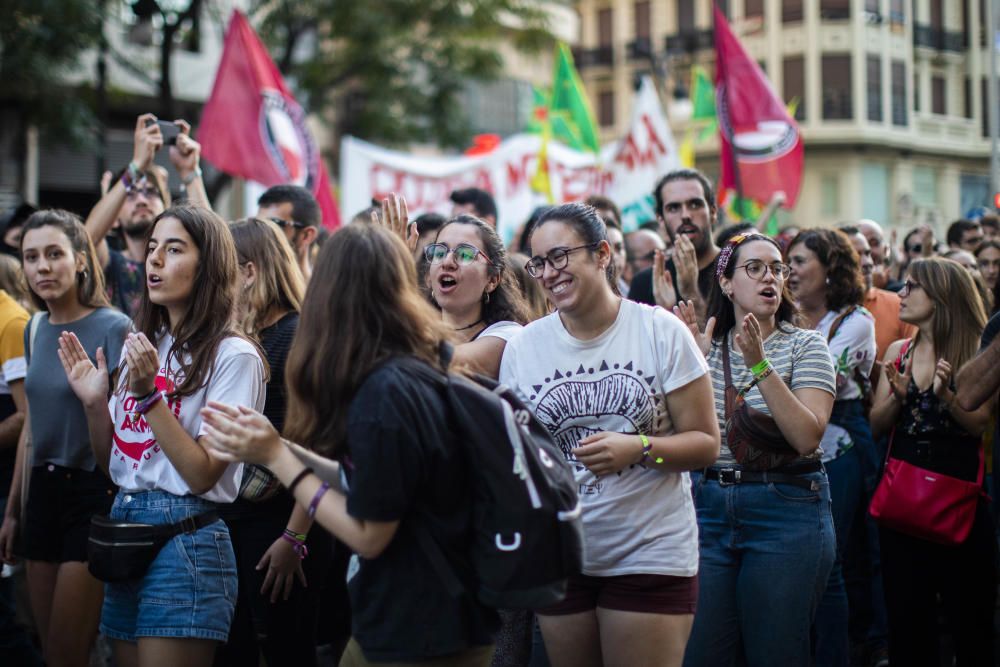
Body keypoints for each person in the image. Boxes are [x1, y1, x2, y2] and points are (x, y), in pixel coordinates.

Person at [201, 222, 499, 665]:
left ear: (330, 293)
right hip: (440, 609)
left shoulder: (387, 391)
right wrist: (276, 448)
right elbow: (369, 480)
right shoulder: (410, 368)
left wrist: (279, 461)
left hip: (423, 624)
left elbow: (370, 533)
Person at [500, 203, 720, 667]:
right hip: (564, 554)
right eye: (539, 262)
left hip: (649, 552)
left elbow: (705, 444)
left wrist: (639, 449)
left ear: (602, 254)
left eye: (560, 256)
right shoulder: (523, 347)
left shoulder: (661, 332)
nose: (548, 272)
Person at [58, 204, 265, 667]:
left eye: (173, 250)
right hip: (124, 528)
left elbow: (202, 474)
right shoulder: (148, 342)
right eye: (152, 248)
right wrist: (95, 403)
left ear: (208, 265)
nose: (153, 260)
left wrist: (150, 395)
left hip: (185, 540)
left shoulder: (235, 356)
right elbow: (114, 461)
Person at [677, 231, 837, 666]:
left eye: (777, 269)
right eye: (755, 268)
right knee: (704, 655)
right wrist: (687, 368)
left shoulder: (808, 344)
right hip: (710, 512)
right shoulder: (702, 347)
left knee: (776, 654)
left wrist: (760, 364)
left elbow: (807, 436)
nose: (770, 277)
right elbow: (669, 435)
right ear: (727, 283)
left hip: (785, 511)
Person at [0, 210, 129, 666]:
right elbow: (32, 426)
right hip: (41, 492)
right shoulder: (34, 328)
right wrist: (15, 508)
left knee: (66, 653)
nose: (42, 267)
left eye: (54, 254)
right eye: (31, 257)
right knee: (44, 646)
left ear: (80, 261)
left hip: (92, 494)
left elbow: (127, 432)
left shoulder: (115, 327)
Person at [214, 218, 336, 667]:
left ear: (249, 272)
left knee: (287, 649)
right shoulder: (243, 338)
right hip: (240, 522)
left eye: (221, 268)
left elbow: (320, 444)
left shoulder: (301, 334)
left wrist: (294, 537)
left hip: (286, 524)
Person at [869, 258, 995, 666]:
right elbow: (875, 424)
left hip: (960, 510)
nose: (900, 293)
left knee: (970, 626)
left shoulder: (977, 350)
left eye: (912, 287)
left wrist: (945, 398)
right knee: (908, 627)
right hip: (903, 512)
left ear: (940, 297)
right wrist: (899, 398)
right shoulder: (898, 351)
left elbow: (977, 426)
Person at [786, 229, 879, 666]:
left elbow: (822, 383)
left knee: (833, 557)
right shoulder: (785, 316)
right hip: (796, 445)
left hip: (841, 441)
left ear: (830, 268)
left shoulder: (854, 320)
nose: (790, 270)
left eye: (801, 261)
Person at [84, 114, 207, 318]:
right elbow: (86, 239)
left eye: (151, 192)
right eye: (131, 194)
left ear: (166, 205)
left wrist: (190, 172)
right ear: (114, 217)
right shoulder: (110, 263)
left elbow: (212, 239)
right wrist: (136, 166)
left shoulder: (184, 261)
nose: (141, 200)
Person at [631, 169, 721, 322]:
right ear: (661, 219)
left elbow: (732, 344)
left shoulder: (737, 270)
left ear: (713, 212)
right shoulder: (645, 283)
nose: (685, 215)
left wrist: (691, 294)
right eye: (673, 208)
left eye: (695, 204)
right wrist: (665, 313)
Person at [256, 185, 321, 283]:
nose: (262, 234)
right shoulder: (247, 290)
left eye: (274, 225)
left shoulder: (323, 295)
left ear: (307, 236)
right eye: (257, 224)